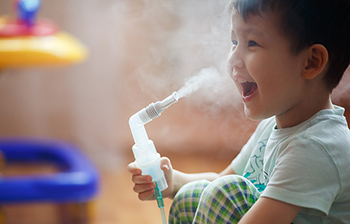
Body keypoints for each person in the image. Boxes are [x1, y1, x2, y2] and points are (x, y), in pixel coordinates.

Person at [127, 0, 350, 223]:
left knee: (225, 193)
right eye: (234, 42)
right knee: (191, 197)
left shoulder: (316, 148)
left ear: (310, 62)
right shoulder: (272, 127)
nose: (233, 59)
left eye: (252, 43)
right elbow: (221, 181)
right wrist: (172, 182)